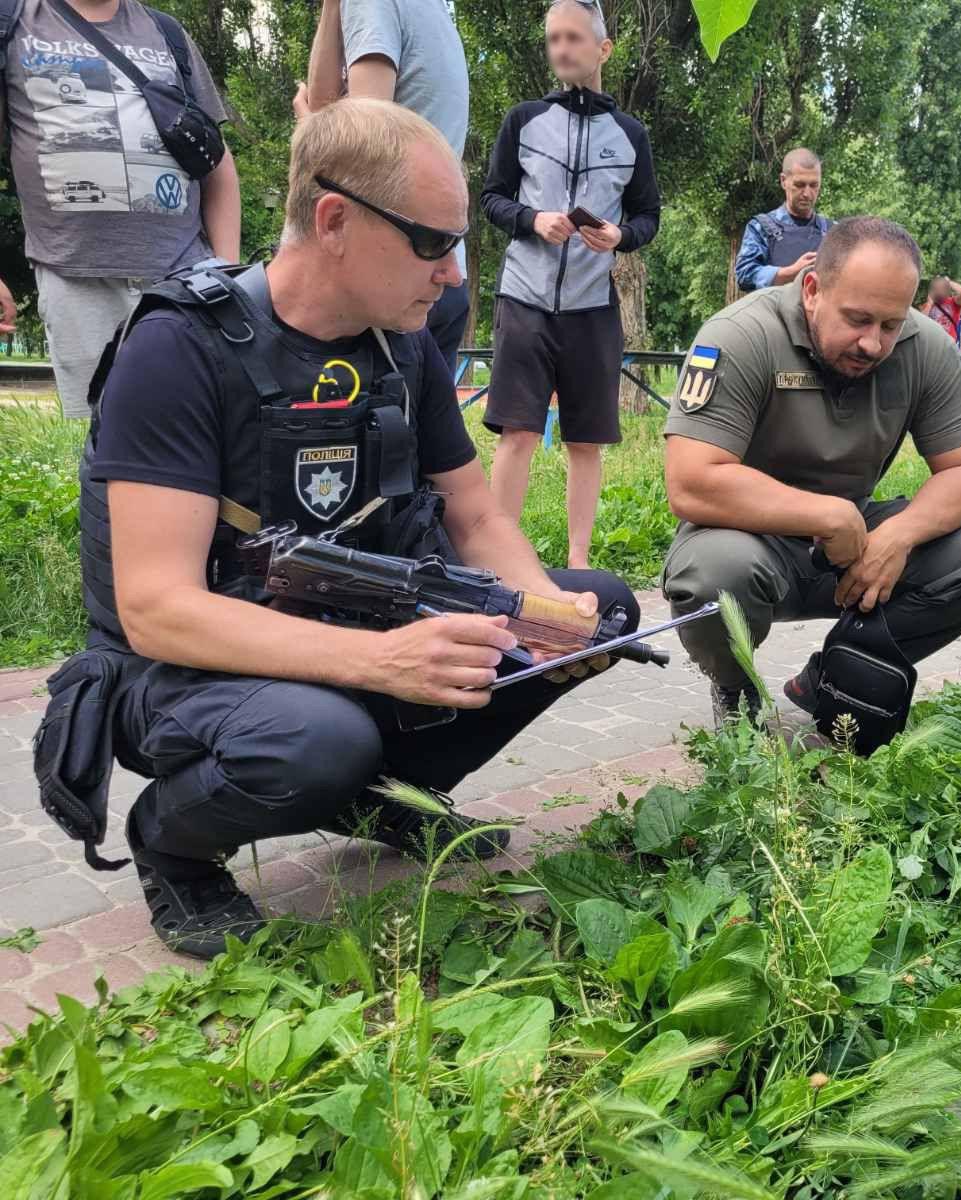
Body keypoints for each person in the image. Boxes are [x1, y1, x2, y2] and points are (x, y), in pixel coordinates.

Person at [70, 99, 639, 959]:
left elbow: (476, 513)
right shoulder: (178, 347)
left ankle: (379, 796)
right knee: (317, 738)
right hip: (186, 670)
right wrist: (381, 664)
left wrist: (546, 614)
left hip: (349, 624)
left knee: (599, 606)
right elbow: (155, 609)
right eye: (432, 242)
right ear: (334, 220)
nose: (452, 274)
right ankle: (174, 844)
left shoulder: (403, 347)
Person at [662, 216, 961, 726]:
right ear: (811, 289)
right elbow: (691, 480)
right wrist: (825, 514)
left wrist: (899, 536)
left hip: (857, 546)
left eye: (890, 324)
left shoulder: (927, 348)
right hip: (749, 538)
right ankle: (736, 693)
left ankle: (836, 674)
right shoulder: (739, 334)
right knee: (710, 577)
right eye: (857, 319)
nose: (873, 344)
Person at [480, 0, 660, 569]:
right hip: (524, 300)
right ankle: (498, 558)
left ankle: (579, 560)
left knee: (586, 442)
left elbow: (648, 216)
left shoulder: (630, 134)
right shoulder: (523, 120)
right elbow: (490, 197)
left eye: (574, 38)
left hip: (590, 308)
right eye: (554, 38)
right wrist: (532, 220)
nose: (562, 48)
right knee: (519, 434)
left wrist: (621, 235)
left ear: (602, 49)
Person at [0, 0, 240, 418]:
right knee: (99, 442)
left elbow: (217, 163)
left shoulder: (168, 33)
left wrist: (227, 274)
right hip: (77, 279)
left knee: (197, 428)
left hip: (185, 278)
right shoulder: (14, 20)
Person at [297, 0, 472, 372]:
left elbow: (361, 140)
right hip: (440, 264)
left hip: (389, 276)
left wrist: (310, 127)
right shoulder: (435, 11)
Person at [734, 148, 830, 292]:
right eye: (799, 185)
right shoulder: (761, 228)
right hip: (775, 314)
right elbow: (744, 274)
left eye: (814, 185)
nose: (807, 193)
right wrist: (791, 272)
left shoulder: (833, 231)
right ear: (783, 181)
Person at [919, 275, 961, 344]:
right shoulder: (927, 305)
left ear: (947, 289)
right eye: (936, 288)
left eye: (942, 288)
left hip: (948, 346)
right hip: (932, 345)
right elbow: (920, 323)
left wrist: (948, 282)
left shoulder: (953, 303)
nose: (939, 291)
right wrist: (929, 303)